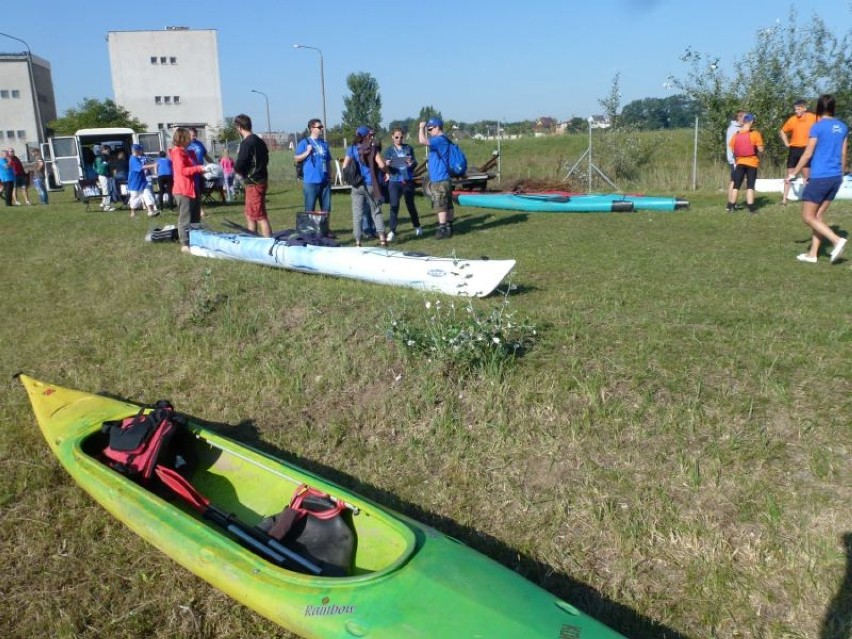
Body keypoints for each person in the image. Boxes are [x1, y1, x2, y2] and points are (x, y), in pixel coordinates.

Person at [787, 93, 848, 264]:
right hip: (836, 177)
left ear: (819, 108)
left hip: (820, 177)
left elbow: (807, 154)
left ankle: (836, 240)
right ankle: (813, 254)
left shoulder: (817, 127)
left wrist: (793, 173)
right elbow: (844, 153)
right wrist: (841, 174)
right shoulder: (843, 127)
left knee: (808, 217)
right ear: (833, 107)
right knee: (818, 217)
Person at [341, 126, 388, 246]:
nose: (372, 137)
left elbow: (345, 167)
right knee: (376, 211)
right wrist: (388, 172)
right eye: (370, 135)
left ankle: (358, 241)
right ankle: (382, 238)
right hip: (371, 183)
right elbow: (382, 165)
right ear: (367, 135)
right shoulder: (373, 149)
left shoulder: (351, 149)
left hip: (357, 185)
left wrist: (351, 178)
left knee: (357, 214)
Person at [169, 127, 207, 253]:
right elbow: (183, 171)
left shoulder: (189, 152)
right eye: (188, 136)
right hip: (183, 190)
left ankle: (196, 240)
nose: (191, 138)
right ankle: (185, 243)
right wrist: (198, 168)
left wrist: (203, 169)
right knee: (185, 218)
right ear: (183, 138)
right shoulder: (177, 152)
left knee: (196, 217)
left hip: (193, 188)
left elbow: (194, 167)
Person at [234, 113, 272, 237]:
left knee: (260, 215)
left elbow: (240, 164)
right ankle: (252, 240)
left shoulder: (246, 143)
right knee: (250, 214)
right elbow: (266, 159)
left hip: (254, 182)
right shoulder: (259, 141)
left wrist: (239, 171)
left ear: (239, 127)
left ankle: (268, 244)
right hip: (260, 180)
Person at [419, 117, 456, 238]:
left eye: (430, 129)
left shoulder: (439, 140)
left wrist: (421, 128)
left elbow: (422, 141)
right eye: (428, 130)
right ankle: (449, 227)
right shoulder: (443, 139)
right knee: (448, 204)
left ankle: (442, 229)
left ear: (437, 127)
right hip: (445, 177)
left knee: (440, 205)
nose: (429, 132)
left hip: (439, 178)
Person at [383, 128, 422, 240]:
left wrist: (412, 163)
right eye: (396, 137)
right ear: (392, 137)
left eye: (401, 137)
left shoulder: (408, 148)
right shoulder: (389, 151)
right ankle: (392, 231)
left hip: (407, 179)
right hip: (394, 180)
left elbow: (415, 163)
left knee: (411, 205)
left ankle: (417, 226)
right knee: (394, 206)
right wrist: (387, 164)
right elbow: (384, 167)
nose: (399, 139)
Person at [780, 99, 818, 206]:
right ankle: (784, 200)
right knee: (790, 175)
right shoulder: (792, 119)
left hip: (806, 149)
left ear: (805, 108)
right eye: (795, 109)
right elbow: (782, 131)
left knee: (806, 176)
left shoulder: (813, 117)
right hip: (794, 149)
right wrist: (786, 143)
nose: (796, 111)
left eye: (799, 109)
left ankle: (807, 199)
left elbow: (823, 125)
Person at [727, 113, 764, 213]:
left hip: (740, 162)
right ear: (751, 122)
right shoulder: (755, 134)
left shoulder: (736, 135)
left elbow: (732, 147)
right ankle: (751, 208)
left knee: (736, 186)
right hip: (752, 163)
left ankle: (731, 206)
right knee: (750, 186)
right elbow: (761, 149)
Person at [295, 118, 332, 216]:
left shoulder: (324, 144)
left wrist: (330, 176)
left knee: (326, 209)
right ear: (312, 128)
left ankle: (325, 229)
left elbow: (328, 161)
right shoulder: (305, 143)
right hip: (311, 181)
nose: (321, 129)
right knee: (310, 209)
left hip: (324, 181)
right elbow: (297, 158)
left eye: (322, 127)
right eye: (319, 127)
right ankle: (309, 230)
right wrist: (307, 152)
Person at [127, 144, 159, 218]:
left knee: (147, 194)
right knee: (135, 197)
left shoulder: (137, 158)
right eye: (141, 150)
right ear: (137, 150)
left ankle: (151, 211)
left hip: (143, 181)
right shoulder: (133, 159)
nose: (142, 151)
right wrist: (153, 165)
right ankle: (133, 212)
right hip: (134, 182)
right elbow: (141, 167)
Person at [725, 110, 745, 209]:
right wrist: (736, 157)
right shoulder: (734, 129)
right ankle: (730, 203)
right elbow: (732, 145)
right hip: (734, 159)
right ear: (739, 118)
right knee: (734, 181)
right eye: (744, 117)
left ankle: (733, 202)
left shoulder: (739, 128)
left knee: (736, 180)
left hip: (738, 159)